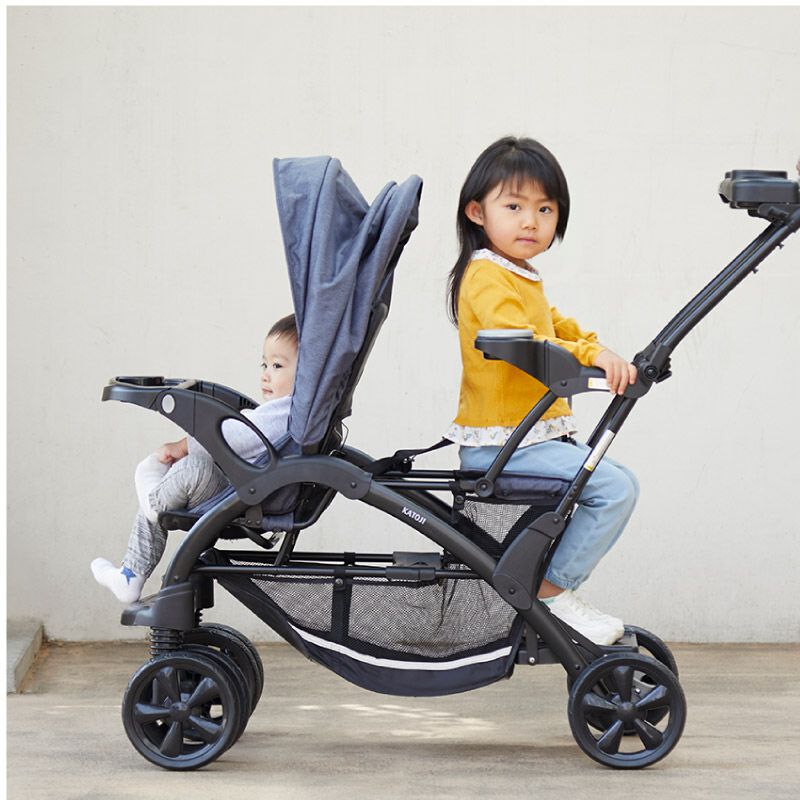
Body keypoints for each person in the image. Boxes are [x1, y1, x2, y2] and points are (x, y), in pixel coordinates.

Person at [445, 137, 639, 645]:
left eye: (545, 209)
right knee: (614, 489)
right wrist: (591, 356)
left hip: (526, 440)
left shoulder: (518, 276)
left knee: (617, 482)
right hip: (503, 445)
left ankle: (553, 589)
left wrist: (600, 350)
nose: (531, 221)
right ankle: (552, 592)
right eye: (514, 207)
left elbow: (556, 325)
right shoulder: (486, 277)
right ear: (477, 212)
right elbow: (524, 341)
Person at [91, 314, 298, 603]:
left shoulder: (286, 411)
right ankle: (131, 573)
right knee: (183, 473)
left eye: (277, 366)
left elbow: (238, 438)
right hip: (243, 488)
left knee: (193, 469)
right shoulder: (293, 412)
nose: (266, 374)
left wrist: (184, 446)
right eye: (264, 364)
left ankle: (148, 520)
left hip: (239, 494)